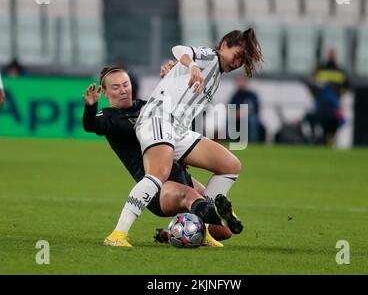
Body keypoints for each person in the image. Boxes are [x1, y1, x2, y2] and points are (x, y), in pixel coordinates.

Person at [105, 28, 263, 246]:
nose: (237, 63)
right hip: (158, 118)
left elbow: (177, 80)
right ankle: (118, 235)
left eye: (242, 61)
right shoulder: (209, 56)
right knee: (158, 174)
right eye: (237, 56)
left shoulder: (216, 74)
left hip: (178, 129)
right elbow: (179, 49)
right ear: (224, 45)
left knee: (230, 165)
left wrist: (177, 70)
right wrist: (192, 65)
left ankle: (203, 226)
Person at [82, 66, 238, 247]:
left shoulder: (146, 106)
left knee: (224, 231)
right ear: (106, 94)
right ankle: (118, 235)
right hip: (157, 186)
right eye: (116, 88)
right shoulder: (108, 116)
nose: (123, 90)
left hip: (180, 174)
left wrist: (171, 81)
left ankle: (173, 232)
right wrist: (91, 107)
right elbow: (91, 125)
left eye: (125, 84)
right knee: (191, 196)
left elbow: (173, 115)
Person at [304, 49, 349, 144]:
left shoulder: (340, 70)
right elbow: (310, 82)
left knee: (332, 123)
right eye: (330, 54)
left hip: (333, 104)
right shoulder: (320, 69)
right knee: (322, 122)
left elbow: (346, 86)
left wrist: (338, 96)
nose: (331, 56)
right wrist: (316, 95)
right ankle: (322, 140)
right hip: (321, 104)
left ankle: (329, 139)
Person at [229, 74, 264, 142]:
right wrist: (236, 114)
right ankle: (229, 140)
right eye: (239, 81)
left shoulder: (252, 95)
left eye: (242, 81)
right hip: (237, 117)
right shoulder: (234, 96)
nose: (241, 83)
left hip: (249, 117)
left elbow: (254, 109)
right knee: (227, 120)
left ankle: (253, 141)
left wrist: (243, 113)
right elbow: (230, 108)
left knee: (253, 120)